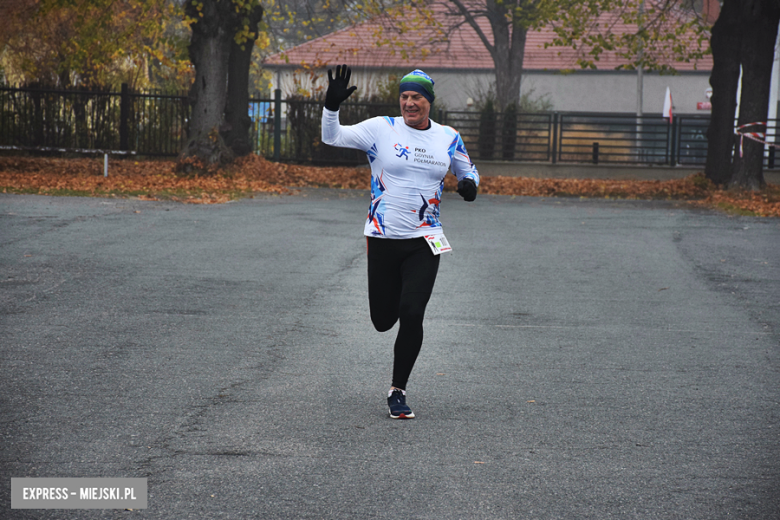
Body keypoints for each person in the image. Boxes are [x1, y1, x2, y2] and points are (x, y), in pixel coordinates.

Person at [321, 64, 479, 419]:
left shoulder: (447, 137)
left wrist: (469, 185)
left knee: (412, 313)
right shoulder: (382, 128)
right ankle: (391, 314)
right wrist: (331, 108)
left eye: (417, 97)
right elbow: (333, 137)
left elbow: (468, 169)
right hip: (382, 237)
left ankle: (397, 390)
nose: (410, 103)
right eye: (405, 96)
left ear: (429, 102)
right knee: (382, 320)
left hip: (424, 239)